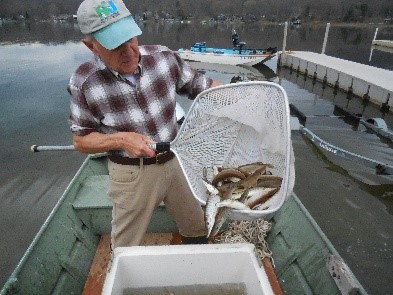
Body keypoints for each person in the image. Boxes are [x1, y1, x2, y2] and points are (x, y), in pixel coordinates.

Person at [68, 0, 221, 248]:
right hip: (130, 173)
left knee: (196, 224)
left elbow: (203, 88)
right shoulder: (84, 81)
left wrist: (242, 96)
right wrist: (121, 139)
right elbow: (81, 140)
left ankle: (196, 254)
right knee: (126, 245)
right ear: (91, 46)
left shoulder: (164, 58)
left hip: (177, 161)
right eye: (114, 44)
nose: (128, 51)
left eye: (130, 38)